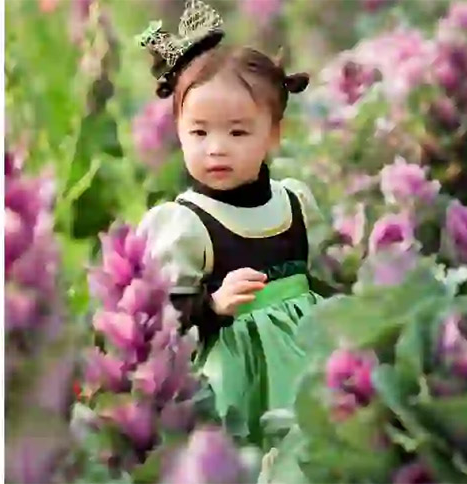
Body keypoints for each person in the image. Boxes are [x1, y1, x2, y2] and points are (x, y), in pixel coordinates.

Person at [136, 0, 331, 448]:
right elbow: (165, 313)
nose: (216, 149)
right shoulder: (186, 224)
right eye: (199, 133)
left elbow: (317, 275)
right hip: (238, 374)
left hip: (308, 353)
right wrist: (213, 306)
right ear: (179, 132)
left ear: (273, 134)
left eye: (238, 132)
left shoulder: (293, 201)